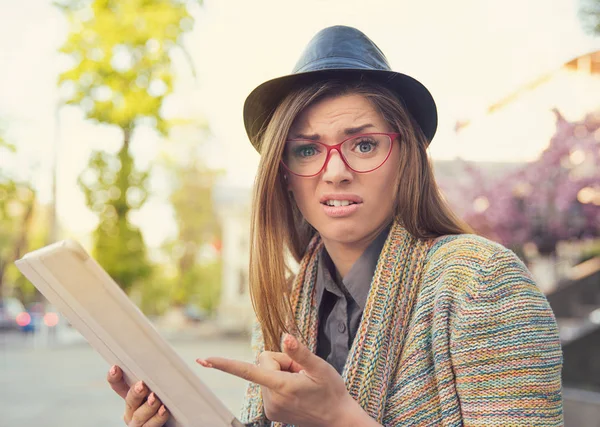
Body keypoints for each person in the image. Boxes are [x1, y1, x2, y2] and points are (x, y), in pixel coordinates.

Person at [107, 25, 563, 427]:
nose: (335, 171)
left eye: (363, 144)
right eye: (306, 149)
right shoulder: (285, 301)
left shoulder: (482, 282)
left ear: (406, 158)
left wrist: (339, 420)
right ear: (283, 174)